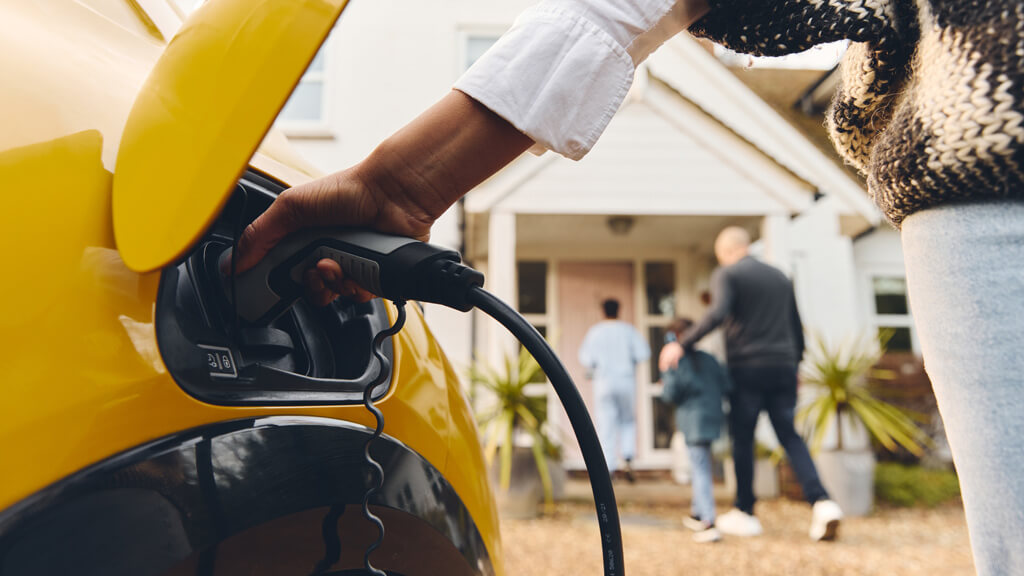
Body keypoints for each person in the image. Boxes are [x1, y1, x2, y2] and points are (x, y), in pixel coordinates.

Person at [232, 1, 1024, 572]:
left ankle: (732, 511)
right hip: (809, 346)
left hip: (984, 152)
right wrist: (405, 186)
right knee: (772, 436)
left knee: (730, 439)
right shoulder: (773, 275)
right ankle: (786, 503)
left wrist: (679, 346)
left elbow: (632, 9)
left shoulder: (725, 281)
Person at [660, 227, 842, 540]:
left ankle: (745, 511)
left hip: (748, 367)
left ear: (726, 251)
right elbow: (796, 328)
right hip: (784, 366)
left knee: (742, 437)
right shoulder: (780, 276)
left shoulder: (728, 274)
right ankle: (822, 503)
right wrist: (795, 365)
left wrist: (683, 343)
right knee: (789, 433)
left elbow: (717, 313)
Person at [661, 317, 730, 544]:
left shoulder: (677, 362)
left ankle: (708, 521)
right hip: (712, 417)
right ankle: (697, 512)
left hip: (693, 420)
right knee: (701, 463)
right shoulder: (709, 359)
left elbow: (670, 394)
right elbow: (728, 385)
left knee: (700, 468)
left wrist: (665, 371)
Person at [578, 299, 650, 480]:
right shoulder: (628, 331)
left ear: (603, 311)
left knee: (606, 424)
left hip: (604, 383)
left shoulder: (596, 332)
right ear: (619, 310)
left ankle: (609, 468)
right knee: (627, 421)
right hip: (626, 382)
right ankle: (627, 459)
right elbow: (643, 353)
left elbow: (586, 358)